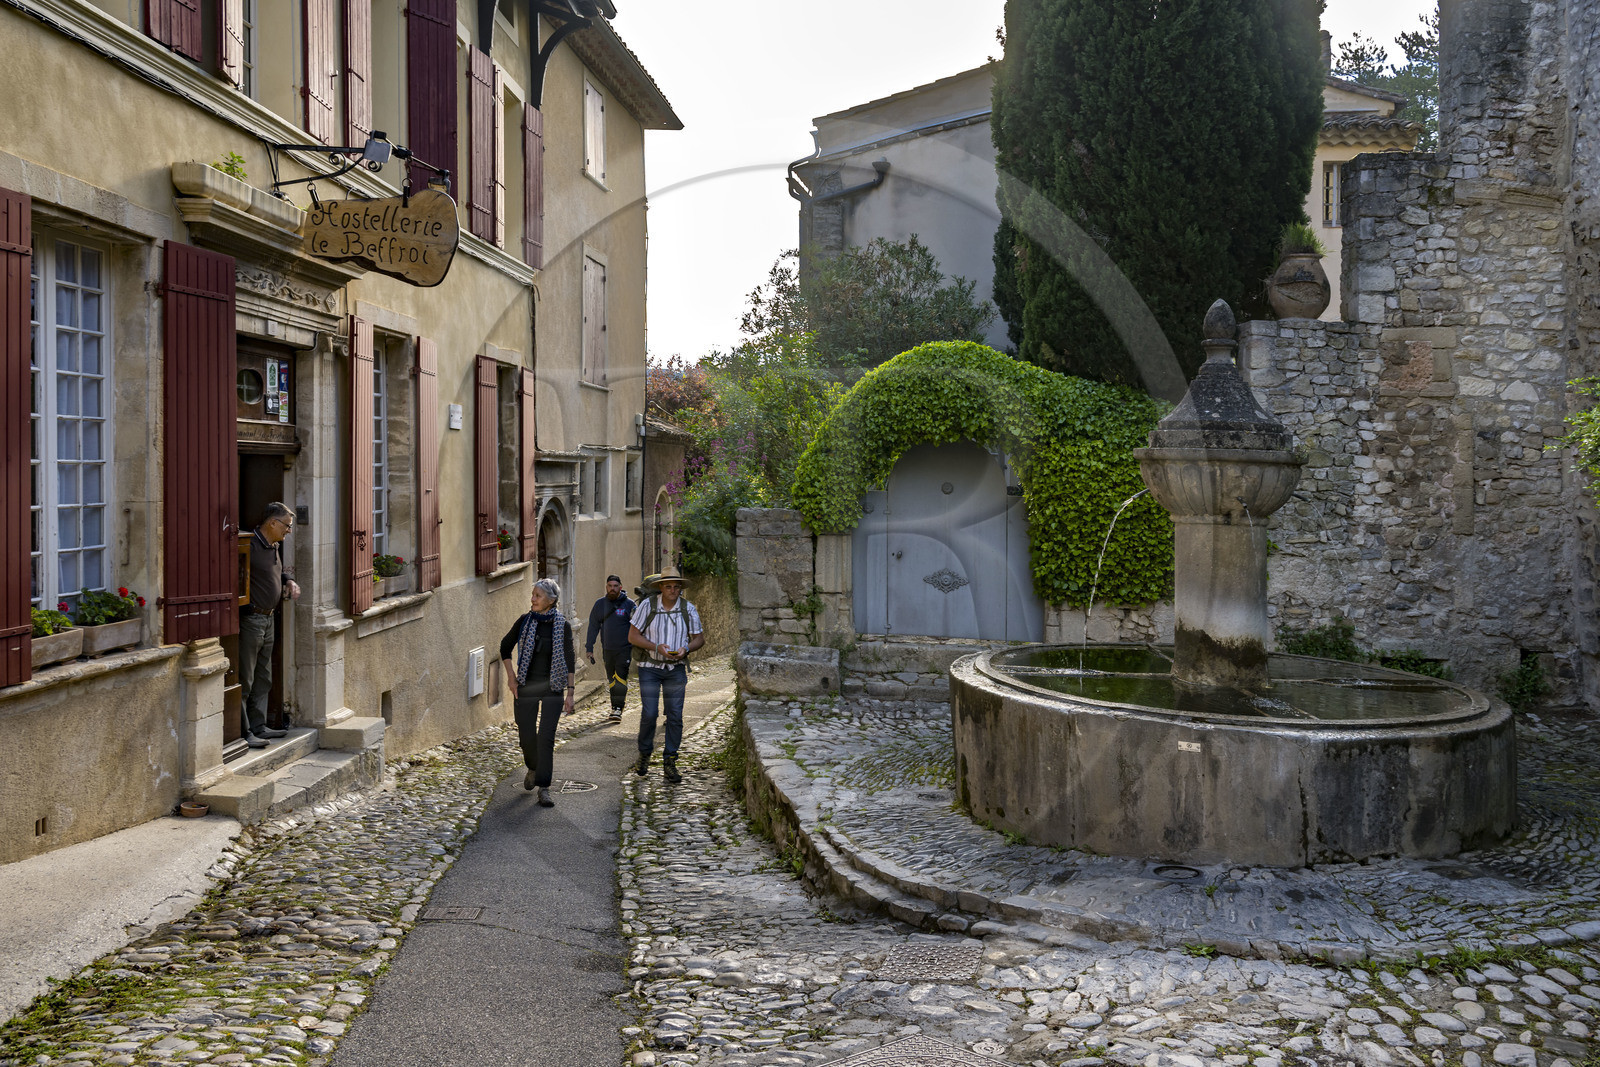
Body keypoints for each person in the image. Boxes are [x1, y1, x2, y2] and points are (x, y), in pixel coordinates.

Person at [500, 577, 576, 808]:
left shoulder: (562, 625)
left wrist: (570, 693)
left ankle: (544, 787)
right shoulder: (525, 621)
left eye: (537, 596)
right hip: (525, 685)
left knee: (546, 737)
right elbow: (505, 646)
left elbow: (570, 659)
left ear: (551, 601)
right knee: (526, 737)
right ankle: (533, 767)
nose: (532, 599)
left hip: (553, 687)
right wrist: (511, 678)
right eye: (532, 595)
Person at [627, 572, 703, 784]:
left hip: (676, 669)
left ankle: (670, 760)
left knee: (675, 716)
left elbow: (699, 639)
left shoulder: (688, 609)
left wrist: (686, 649)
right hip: (650, 668)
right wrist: (655, 647)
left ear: (680, 588)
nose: (673, 591)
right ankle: (644, 753)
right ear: (661, 588)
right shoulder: (647, 606)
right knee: (650, 713)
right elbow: (633, 636)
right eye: (668, 587)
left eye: (676, 587)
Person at [240, 502, 300, 749]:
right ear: (272, 523)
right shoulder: (249, 545)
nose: (289, 531)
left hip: (268, 618)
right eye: (286, 526)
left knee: (264, 677)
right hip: (252, 619)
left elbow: (272, 573)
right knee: (246, 677)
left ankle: (259, 726)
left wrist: (289, 580)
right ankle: (244, 732)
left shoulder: (272, 545)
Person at [585, 574, 637, 724]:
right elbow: (593, 627)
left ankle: (618, 708)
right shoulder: (600, 604)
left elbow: (638, 626)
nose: (612, 589)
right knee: (612, 679)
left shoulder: (630, 605)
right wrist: (589, 647)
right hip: (608, 649)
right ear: (606, 587)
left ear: (620, 587)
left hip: (624, 649)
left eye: (615, 586)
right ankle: (615, 706)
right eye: (610, 586)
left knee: (621, 677)